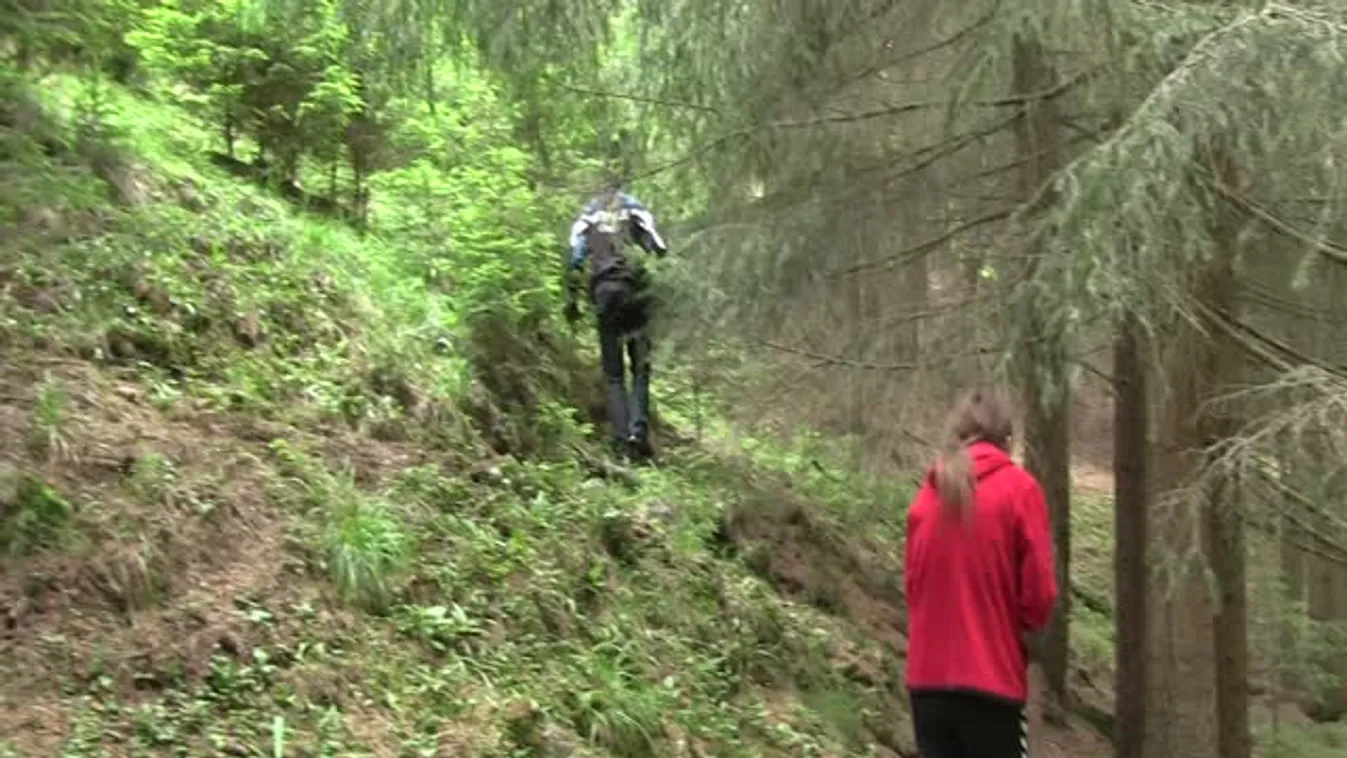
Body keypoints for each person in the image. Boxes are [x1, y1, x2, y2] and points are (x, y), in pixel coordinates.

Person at [903, 387, 1058, 758]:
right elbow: (1040, 595)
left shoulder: (928, 495)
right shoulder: (1019, 490)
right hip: (991, 684)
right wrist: (1020, 631)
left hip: (928, 685)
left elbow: (913, 588)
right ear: (1006, 437)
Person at [564, 186, 668, 459]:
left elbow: (574, 258)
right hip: (635, 293)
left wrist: (572, 299)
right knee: (641, 368)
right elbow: (658, 247)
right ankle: (638, 432)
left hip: (604, 293)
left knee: (613, 375)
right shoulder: (635, 208)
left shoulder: (588, 214)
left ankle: (621, 441)